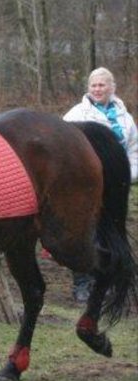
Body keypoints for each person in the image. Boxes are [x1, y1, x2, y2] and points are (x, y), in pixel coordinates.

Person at [63, 67, 138, 302]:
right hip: (86, 186)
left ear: (112, 87)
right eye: (93, 85)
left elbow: (133, 151)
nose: (97, 89)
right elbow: (62, 152)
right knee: (85, 231)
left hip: (116, 187)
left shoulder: (125, 118)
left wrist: (127, 175)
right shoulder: (76, 115)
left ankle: (111, 282)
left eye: (102, 85)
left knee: (113, 232)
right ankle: (82, 283)